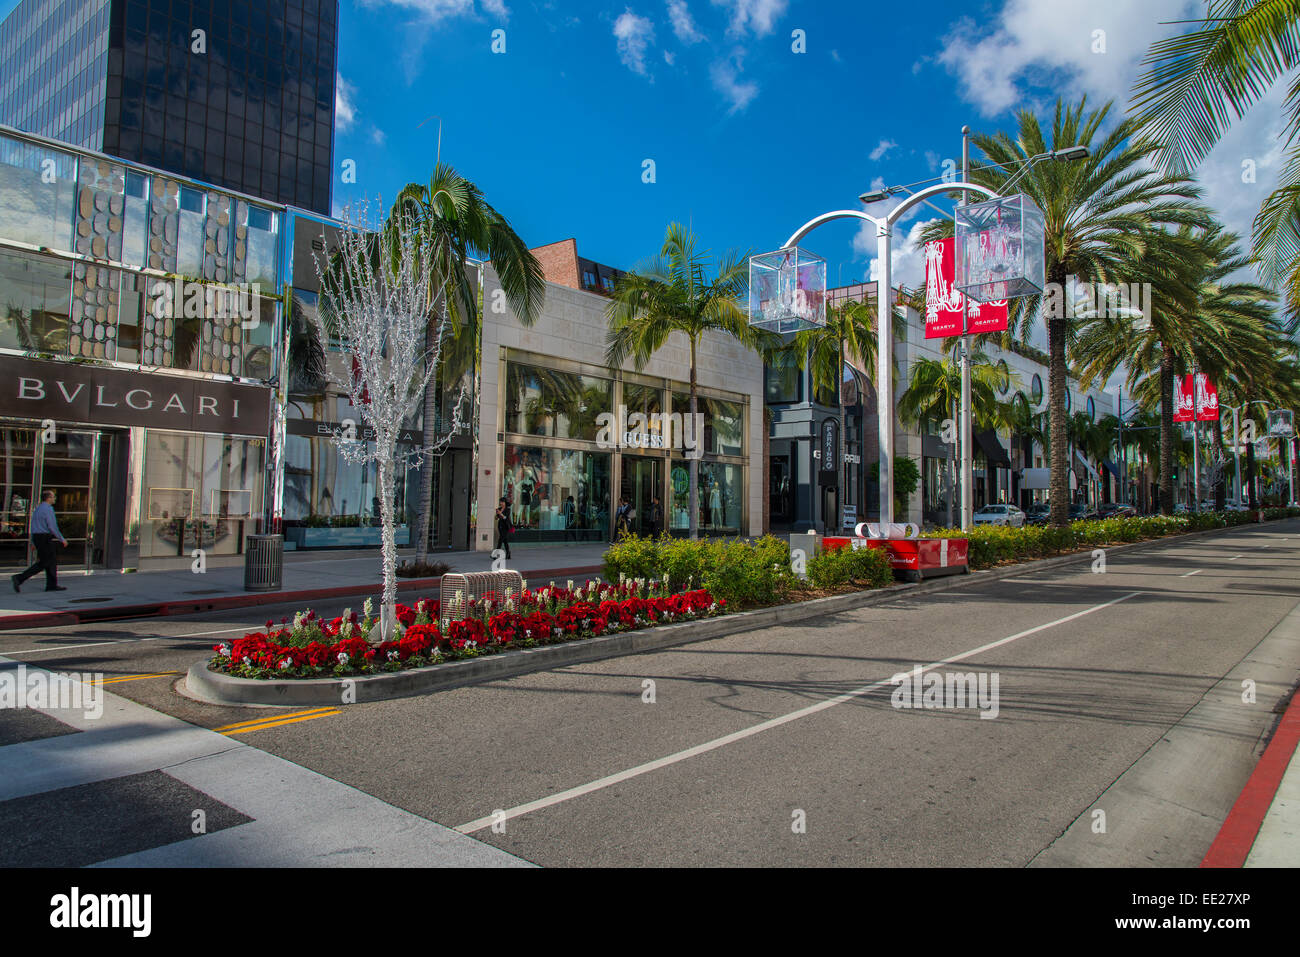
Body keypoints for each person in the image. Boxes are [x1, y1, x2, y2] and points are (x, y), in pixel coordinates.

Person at [14, 490, 68, 592]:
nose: (55, 498)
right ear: (48, 498)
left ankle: (51, 585)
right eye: (53, 497)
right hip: (45, 538)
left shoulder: (38, 509)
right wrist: (62, 539)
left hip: (38, 538)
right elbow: (52, 526)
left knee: (51, 561)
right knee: (45, 562)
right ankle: (20, 578)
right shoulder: (48, 509)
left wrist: (34, 542)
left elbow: (33, 526)